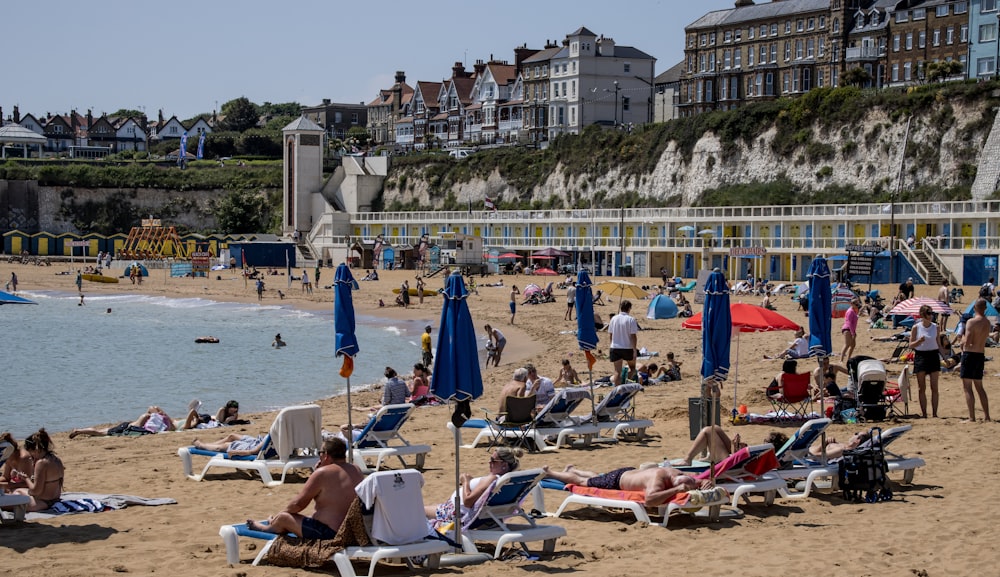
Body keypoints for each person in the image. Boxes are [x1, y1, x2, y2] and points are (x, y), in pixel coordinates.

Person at [246, 438, 363, 539]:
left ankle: (268, 528)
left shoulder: (322, 473)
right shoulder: (356, 470)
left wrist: (278, 516)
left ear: (326, 455)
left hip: (329, 533)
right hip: (350, 531)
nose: (319, 456)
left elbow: (298, 504)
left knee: (284, 517)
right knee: (305, 517)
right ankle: (275, 523)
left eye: (320, 452)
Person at [425, 447, 524, 528]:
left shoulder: (493, 479)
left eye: (493, 460)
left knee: (420, 510)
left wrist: (465, 481)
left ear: (504, 464)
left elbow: (468, 501)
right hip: (485, 517)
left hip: (456, 514)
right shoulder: (509, 481)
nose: (489, 463)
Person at [543, 462, 711, 508]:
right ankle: (550, 473)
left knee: (597, 478)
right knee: (583, 483)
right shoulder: (659, 478)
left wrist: (704, 482)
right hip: (617, 481)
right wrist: (676, 490)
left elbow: (697, 479)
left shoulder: (677, 474)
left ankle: (573, 469)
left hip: (628, 474)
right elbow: (650, 500)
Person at [7, 429, 64, 512]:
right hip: (55, 499)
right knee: (17, 491)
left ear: (36, 450)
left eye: (30, 452)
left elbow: (35, 491)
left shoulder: (41, 463)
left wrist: (26, 479)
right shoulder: (56, 459)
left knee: (14, 496)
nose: (30, 456)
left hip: (42, 502)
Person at [909, 304, 945, 418]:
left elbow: (939, 344)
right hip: (921, 356)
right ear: (923, 315)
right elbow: (911, 345)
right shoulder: (916, 327)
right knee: (922, 387)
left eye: (931, 313)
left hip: (933, 355)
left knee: (934, 387)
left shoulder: (936, 327)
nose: (931, 316)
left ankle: (935, 413)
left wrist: (945, 357)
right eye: (928, 313)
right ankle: (924, 413)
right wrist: (919, 341)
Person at [960, 298, 992, 422]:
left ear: (975, 308)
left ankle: (971, 417)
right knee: (979, 387)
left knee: (967, 387)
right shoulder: (987, 322)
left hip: (970, 354)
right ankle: (987, 416)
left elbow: (967, 342)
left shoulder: (971, 322)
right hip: (980, 354)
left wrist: (961, 339)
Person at [69, 406, 177, 438]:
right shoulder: (164, 423)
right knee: (100, 433)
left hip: (128, 425)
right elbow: (172, 427)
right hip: (129, 428)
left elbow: (152, 408)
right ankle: (79, 431)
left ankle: (79, 430)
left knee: (101, 431)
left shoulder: (153, 417)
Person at [608, 299, 639, 386]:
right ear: (629, 308)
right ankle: (626, 381)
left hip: (615, 347)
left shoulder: (613, 318)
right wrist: (634, 349)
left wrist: (611, 345)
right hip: (627, 347)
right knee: (632, 368)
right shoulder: (631, 319)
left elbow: (610, 334)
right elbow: (633, 336)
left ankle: (617, 391)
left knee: (617, 371)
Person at [192, 432, 268, 456]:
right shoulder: (277, 433)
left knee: (225, 446)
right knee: (232, 436)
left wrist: (236, 452)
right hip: (259, 441)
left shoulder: (276, 436)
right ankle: (210, 444)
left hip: (254, 447)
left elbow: (252, 452)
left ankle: (202, 446)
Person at [840, 299, 860, 363]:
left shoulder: (854, 311)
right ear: (852, 304)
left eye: (858, 304)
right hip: (847, 329)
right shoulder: (850, 311)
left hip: (851, 330)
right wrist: (852, 333)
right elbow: (849, 323)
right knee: (847, 344)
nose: (857, 305)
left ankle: (849, 358)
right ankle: (841, 360)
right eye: (856, 304)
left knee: (853, 345)